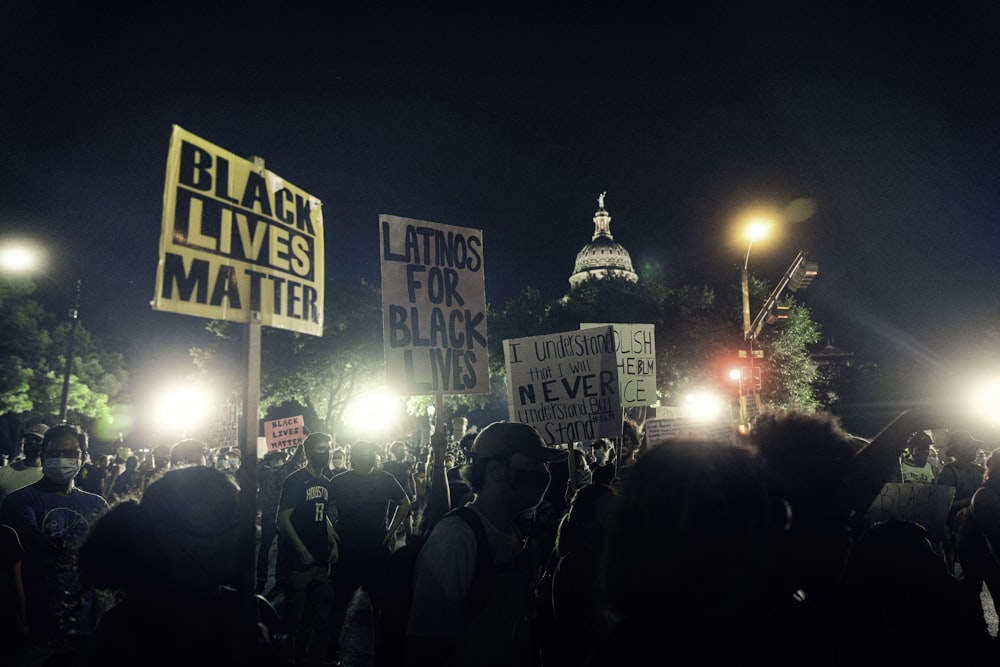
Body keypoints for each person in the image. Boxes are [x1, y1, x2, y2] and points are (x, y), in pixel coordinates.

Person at [75, 466, 284, 666]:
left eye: (243, 515)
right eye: (224, 515)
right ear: (168, 536)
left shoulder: (255, 613)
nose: (249, 531)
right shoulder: (122, 637)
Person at [406, 421, 567, 666]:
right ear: (497, 470)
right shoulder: (455, 538)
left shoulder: (512, 530)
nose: (544, 474)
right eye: (534, 463)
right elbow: (428, 646)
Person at [0, 424, 109, 651]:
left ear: (84, 457)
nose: (61, 460)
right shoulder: (18, 501)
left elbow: (107, 561)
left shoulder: (97, 505)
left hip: (85, 625)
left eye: (70, 454)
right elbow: (28, 553)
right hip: (33, 627)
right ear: (43, 456)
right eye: (53, 454)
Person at [326, 440, 410, 666]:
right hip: (349, 551)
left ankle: (374, 649)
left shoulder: (385, 479)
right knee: (342, 602)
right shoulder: (339, 481)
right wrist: (331, 535)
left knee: (377, 605)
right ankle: (335, 645)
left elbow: (405, 504)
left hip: (374, 552)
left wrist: (391, 531)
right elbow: (319, 507)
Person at [277, 433, 338, 666]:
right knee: (294, 617)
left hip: (321, 560)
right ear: (309, 452)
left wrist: (333, 543)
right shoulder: (295, 480)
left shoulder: (325, 482)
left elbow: (321, 516)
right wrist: (302, 551)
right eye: (322, 449)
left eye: (329, 448)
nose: (327, 453)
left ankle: (303, 657)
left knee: (313, 618)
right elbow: (282, 519)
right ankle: (287, 658)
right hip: (299, 562)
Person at [0, 424, 47, 502]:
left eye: (37, 440)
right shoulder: (4, 473)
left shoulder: (52, 475)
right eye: (28, 440)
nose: (32, 443)